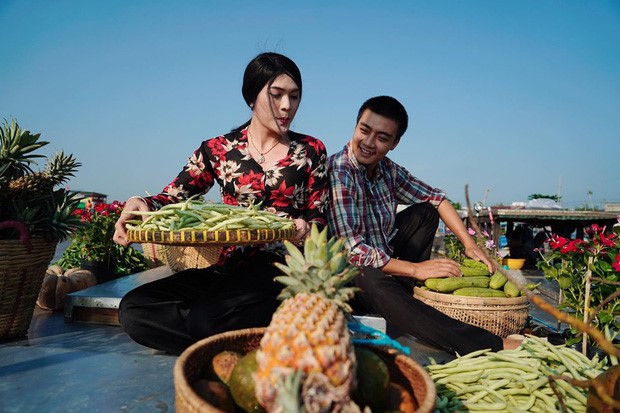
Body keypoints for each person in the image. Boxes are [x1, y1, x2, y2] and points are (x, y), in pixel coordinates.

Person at [113, 52, 329, 355]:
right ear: (251, 96)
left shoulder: (310, 150)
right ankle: (239, 339)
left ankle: (216, 333)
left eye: (294, 97)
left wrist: (305, 228)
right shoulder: (218, 149)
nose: (286, 106)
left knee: (207, 319)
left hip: (282, 267)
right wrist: (139, 202)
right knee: (134, 310)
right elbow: (174, 196)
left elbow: (320, 215)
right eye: (276, 95)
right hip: (226, 266)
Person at [327, 95, 520, 355]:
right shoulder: (340, 171)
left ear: (394, 143)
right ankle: (488, 343)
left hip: (386, 264)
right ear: (355, 126)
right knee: (369, 277)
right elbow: (354, 251)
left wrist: (469, 244)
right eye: (364, 130)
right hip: (352, 275)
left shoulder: (388, 170)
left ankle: (404, 296)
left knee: (426, 212)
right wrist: (416, 269)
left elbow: (437, 199)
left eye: (382, 138)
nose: (369, 143)